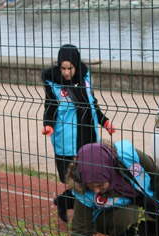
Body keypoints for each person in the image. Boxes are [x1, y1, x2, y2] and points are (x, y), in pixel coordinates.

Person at [41, 44, 115, 223]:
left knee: (90, 177)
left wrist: (104, 121)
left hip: (87, 136)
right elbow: (50, 107)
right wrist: (49, 125)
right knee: (76, 180)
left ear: (76, 65)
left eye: (70, 68)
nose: (66, 72)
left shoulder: (85, 78)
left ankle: (68, 204)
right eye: (63, 68)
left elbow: (92, 104)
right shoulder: (53, 83)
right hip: (67, 140)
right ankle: (73, 207)